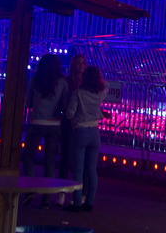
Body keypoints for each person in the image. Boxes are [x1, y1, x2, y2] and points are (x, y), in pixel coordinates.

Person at [23, 53, 69, 207]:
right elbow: (64, 104)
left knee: (28, 157)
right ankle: (46, 199)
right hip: (54, 125)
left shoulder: (35, 80)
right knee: (50, 161)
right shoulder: (62, 82)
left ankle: (30, 191)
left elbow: (28, 103)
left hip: (37, 122)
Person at [64, 64, 109, 213]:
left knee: (78, 170)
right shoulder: (100, 93)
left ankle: (77, 203)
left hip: (80, 131)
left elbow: (70, 113)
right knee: (91, 170)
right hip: (95, 133)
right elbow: (106, 85)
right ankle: (89, 202)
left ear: (84, 78)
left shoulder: (78, 93)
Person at [58, 53, 86, 199]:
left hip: (80, 123)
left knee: (80, 161)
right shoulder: (67, 82)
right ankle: (61, 192)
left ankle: (80, 195)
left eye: (83, 63)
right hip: (68, 123)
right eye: (78, 63)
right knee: (65, 157)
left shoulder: (87, 83)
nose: (80, 65)